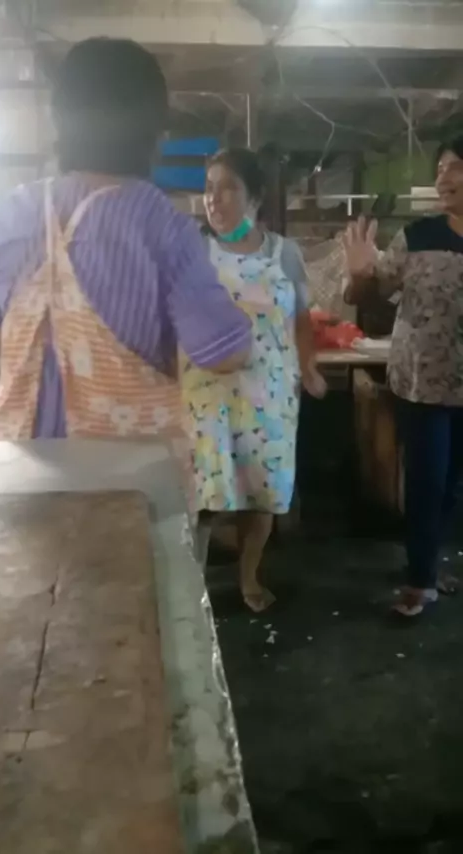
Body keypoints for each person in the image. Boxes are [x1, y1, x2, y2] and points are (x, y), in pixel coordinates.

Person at [0, 39, 251, 477]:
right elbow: (222, 352)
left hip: (23, 476)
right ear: (154, 132)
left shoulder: (13, 212)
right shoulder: (160, 223)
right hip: (131, 484)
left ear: (60, 120)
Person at [181, 148, 326, 612]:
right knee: (205, 496)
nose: (214, 198)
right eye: (209, 188)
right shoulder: (195, 253)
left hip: (270, 391)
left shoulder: (285, 254)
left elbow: (300, 318)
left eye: (228, 188)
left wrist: (308, 366)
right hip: (206, 395)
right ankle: (191, 589)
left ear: (255, 198)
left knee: (261, 492)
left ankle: (248, 579)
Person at [344, 136, 463, 617]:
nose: (443, 177)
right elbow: (364, 295)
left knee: (452, 486)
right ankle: (419, 581)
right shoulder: (417, 236)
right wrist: (358, 274)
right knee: (427, 482)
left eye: (455, 167)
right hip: (421, 383)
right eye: (441, 168)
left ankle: (428, 561)